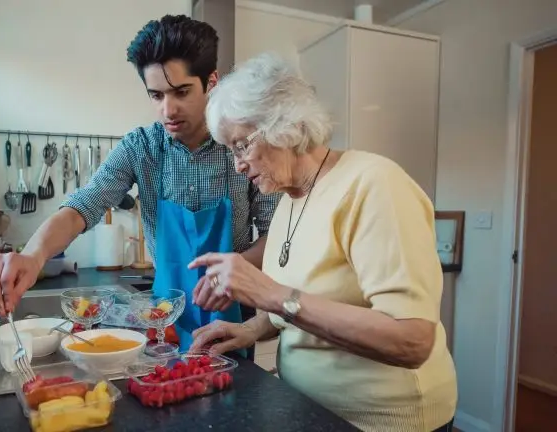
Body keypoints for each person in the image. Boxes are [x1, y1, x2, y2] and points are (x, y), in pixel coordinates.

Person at [187, 52, 457, 432]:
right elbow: (310, 303)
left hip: (382, 422)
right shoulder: (289, 201)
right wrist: (252, 329)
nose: (238, 165)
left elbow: (412, 340)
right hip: (308, 408)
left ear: (283, 125)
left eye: (241, 145)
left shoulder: (373, 184)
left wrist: (270, 294)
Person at [0, 15, 280, 356]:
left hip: (235, 314)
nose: (168, 109)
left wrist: (234, 269)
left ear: (211, 81)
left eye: (181, 92)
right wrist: (32, 258)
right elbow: (84, 206)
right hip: (165, 318)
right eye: (156, 95)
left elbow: (277, 231)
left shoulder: (243, 146)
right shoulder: (141, 148)